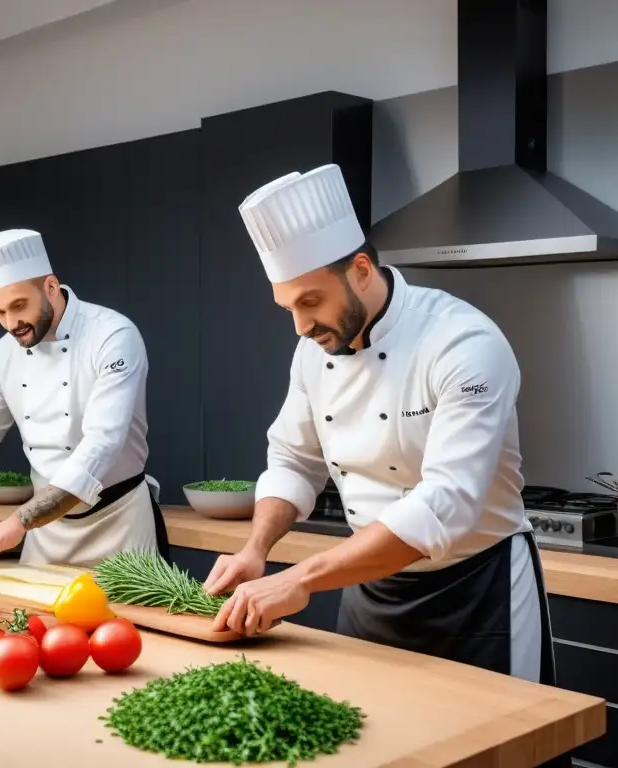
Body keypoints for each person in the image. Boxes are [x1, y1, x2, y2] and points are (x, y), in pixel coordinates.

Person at [204, 164, 556, 690]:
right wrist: (257, 549)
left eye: (311, 301)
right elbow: (293, 459)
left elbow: (446, 502)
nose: (300, 326)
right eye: (288, 308)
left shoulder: (464, 343)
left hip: (476, 593)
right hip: (368, 587)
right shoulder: (312, 351)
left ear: (362, 270)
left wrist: (301, 578)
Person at [0, 229, 169, 566]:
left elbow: (103, 443)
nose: (11, 323)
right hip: (46, 530)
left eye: (19, 305)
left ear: (51, 287)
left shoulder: (113, 335)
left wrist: (18, 522)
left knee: (123, 620)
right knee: (35, 619)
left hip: (119, 523)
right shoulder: (4, 353)